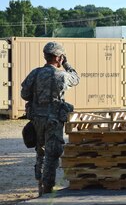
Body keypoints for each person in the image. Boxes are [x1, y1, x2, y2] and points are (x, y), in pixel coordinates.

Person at [21, 42, 79, 195]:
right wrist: (67, 64)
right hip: (53, 120)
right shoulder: (61, 75)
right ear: (59, 58)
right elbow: (76, 78)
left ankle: (40, 185)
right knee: (52, 155)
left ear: (45, 56)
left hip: (36, 119)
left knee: (40, 152)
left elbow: (24, 94)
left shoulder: (35, 73)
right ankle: (47, 190)